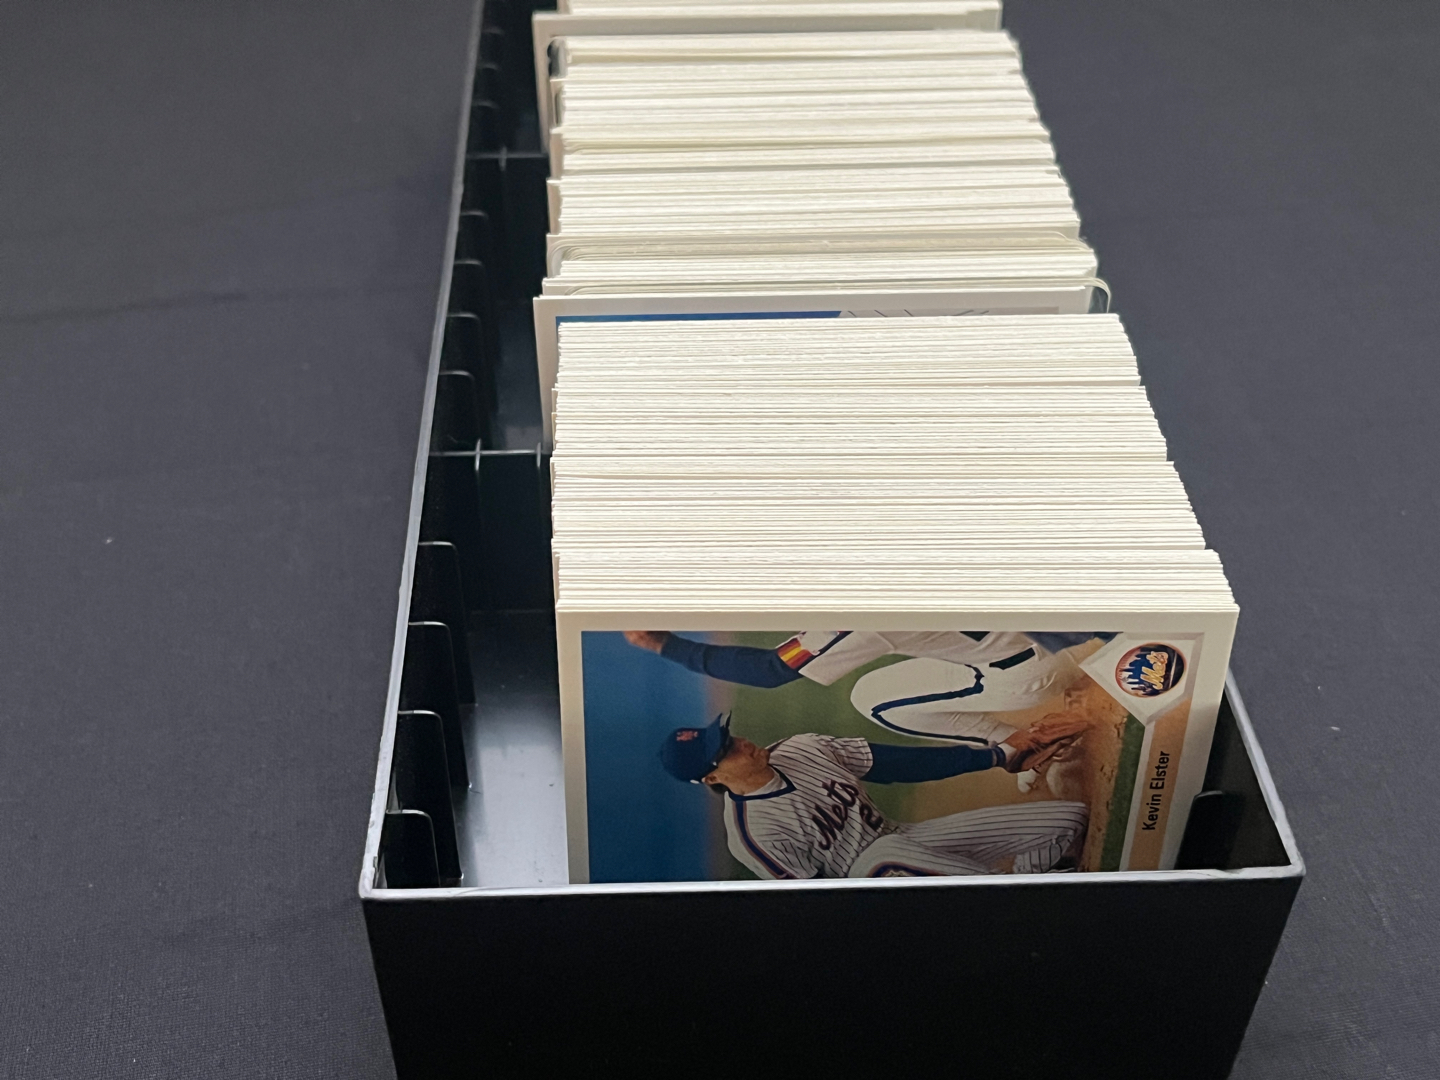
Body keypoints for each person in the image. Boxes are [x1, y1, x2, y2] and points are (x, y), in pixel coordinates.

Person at [658, 714, 1089, 879]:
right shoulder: (754, 836)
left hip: (903, 840)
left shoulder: (801, 748)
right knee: (883, 854)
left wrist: (999, 755)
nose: (741, 743)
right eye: (726, 750)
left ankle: (1038, 882)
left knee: (1068, 820)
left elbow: (899, 763)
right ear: (712, 777)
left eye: (730, 735)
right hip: (872, 884)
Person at [626, 629, 1113, 746]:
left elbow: (770, 671)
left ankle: (1015, 744)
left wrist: (664, 644)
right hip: (1065, 633)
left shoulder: (849, 621)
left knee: (871, 698)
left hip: (1029, 675)